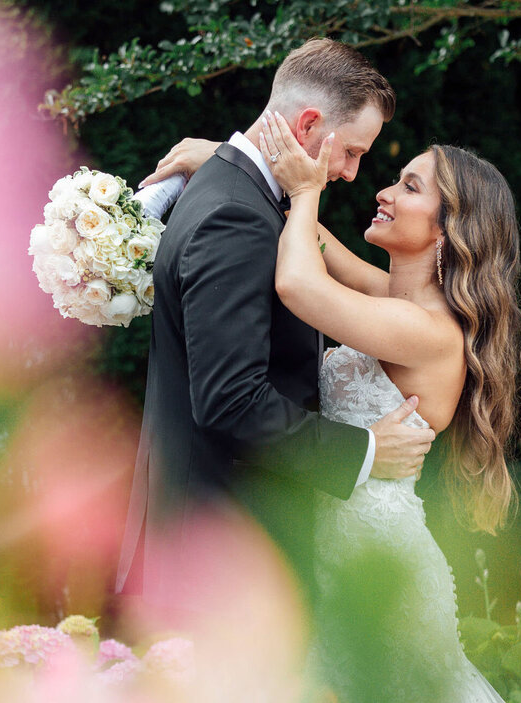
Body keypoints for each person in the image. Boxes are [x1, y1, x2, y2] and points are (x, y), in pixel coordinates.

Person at [153, 112, 521, 700]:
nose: (381, 191)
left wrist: (305, 189)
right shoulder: (394, 298)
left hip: (377, 555)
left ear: (450, 231)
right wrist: (236, 165)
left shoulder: (428, 331)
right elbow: (318, 244)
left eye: (409, 187)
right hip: (331, 541)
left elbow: (299, 283)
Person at [115, 39, 436, 615]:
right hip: (225, 544)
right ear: (309, 123)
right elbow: (230, 400)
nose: (352, 174)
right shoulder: (238, 216)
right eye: (352, 153)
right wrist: (364, 451)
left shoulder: (238, 193)